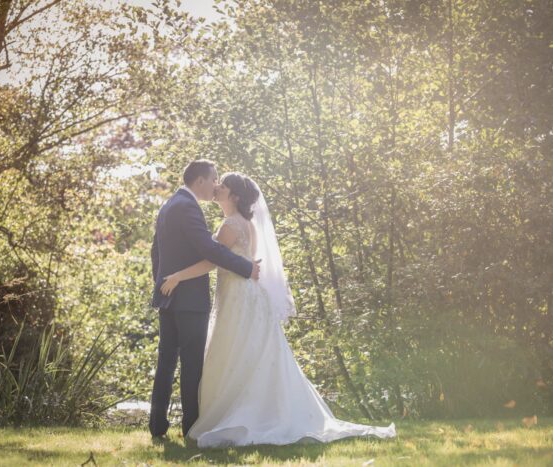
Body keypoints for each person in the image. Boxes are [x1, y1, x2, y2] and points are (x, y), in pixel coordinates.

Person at [160, 172, 396, 447]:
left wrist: (178, 276)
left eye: (222, 185)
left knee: (234, 354)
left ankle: (241, 415)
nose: (216, 188)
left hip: (237, 298)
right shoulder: (248, 224)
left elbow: (211, 261)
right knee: (254, 354)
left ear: (234, 196)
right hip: (250, 297)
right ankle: (265, 411)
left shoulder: (230, 226)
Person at [149, 160, 260, 438]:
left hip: (170, 296)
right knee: (192, 364)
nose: (215, 186)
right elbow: (209, 250)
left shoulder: (169, 205)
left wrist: (162, 282)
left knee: (166, 362)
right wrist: (247, 268)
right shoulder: (188, 207)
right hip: (189, 301)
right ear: (200, 180)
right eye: (213, 180)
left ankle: (157, 424)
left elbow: (156, 252)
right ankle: (191, 427)